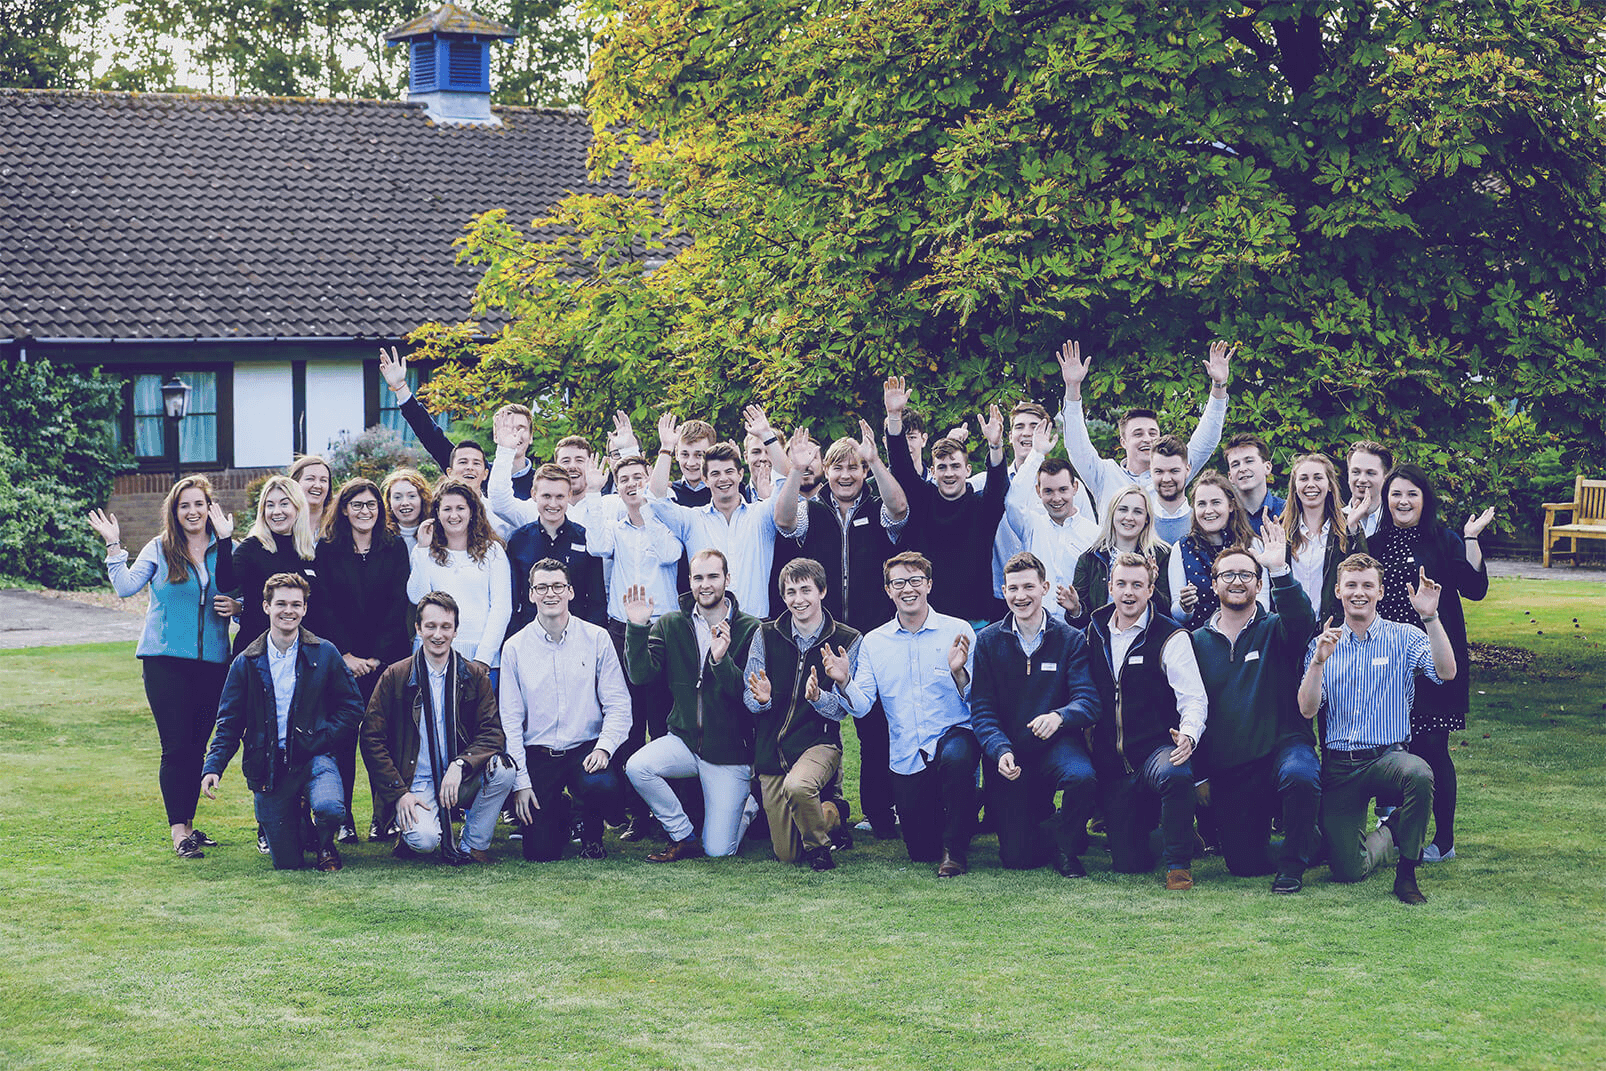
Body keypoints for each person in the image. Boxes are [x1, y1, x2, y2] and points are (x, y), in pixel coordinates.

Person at [771, 417, 909, 840]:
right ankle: (828, 804)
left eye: (854, 467)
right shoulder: (813, 511)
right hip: (823, 632)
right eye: (838, 468)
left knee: (873, 727)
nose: (846, 475)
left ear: (863, 471)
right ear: (826, 472)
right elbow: (783, 521)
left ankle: (881, 814)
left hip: (871, 635)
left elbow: (900, 510)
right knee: (818, 721)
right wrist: (794, 469)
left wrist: (877, 459)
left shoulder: (876, 508)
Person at [89, 477, 237, 860]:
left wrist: (238, 607)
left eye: (198, 505)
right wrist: (113, 544)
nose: (192, 512)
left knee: (198, 747)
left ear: (209, 508)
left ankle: (189, 824)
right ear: (174, 511)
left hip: (215, 663)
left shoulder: (226, 550)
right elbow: (125, 587)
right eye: (184, 505)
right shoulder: (160, 547)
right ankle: (178, 833)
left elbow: (244, 594)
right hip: (165, 662)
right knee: (176, 747)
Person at [1299, 553, 1455, 903]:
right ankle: (1392, 832)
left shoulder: (1403, 637)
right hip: (1340, 765)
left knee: (1419, 774)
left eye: (1367, 585)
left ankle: (1407, 874)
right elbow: (1307, 710)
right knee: (1347, 870)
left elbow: (1446, 673)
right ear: (1338, 590)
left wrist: (1430, 617)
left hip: (1389, 757)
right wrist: (1317, 663)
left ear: (1380, 592)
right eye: (1351, 585)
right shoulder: (1323, 643)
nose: (1359, 592)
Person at [200, 572, 366, 871]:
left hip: (315, 755)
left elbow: (352, 707)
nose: (288, 610)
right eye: (280, 604)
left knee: (330, 808)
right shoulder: (247, 661)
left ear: (304, 609)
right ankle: (299, 822)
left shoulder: (325, 653)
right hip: (269, 764)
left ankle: (325, 841)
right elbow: (229, 721)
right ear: (266, 607)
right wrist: (213, 767)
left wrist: (322, 738)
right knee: (287, 864)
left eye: (295, 604)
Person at [1369, 464, 1493, 863]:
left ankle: (1444, 840)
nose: (1403, 502)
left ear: (1425, 500)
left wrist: (1471, 538)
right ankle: (1394, 831)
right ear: (1386, 501)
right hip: (1387, 663)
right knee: (1390, 745)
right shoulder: (1373, 544)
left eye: (1412, 495)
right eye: (1396, 495)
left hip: (1438, 660)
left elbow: (1474, 589)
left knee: (1433, 748)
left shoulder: (1444, 540)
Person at [1189, 538, 1321, 893]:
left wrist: (1279, 568)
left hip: (1283, 749)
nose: (1237, 581)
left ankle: (1293, 867)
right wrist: (1199, 773)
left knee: (1301, 774)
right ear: (1214, 583)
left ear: (1259, 585)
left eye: (1246, 574)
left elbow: (1302, 621)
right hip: (1234, 766)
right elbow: (1191, 709)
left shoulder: (1277, 628)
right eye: (1227, 574)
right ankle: (1315, 842)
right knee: (1243, 864)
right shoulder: (1196, 642)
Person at [842, 552, 981, 877]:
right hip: (908, 753)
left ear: (929, 585)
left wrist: (959, 673)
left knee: (958, 759)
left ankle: (955, 853)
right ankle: (967, 805)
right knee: (920, 851)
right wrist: (843, 680)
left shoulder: (957, 631)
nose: (908, 589)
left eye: (916, 580)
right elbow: (862, 705)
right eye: (899, 582)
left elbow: (979, 701)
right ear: (888, 590)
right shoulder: (875, 642)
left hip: (954, 737)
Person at [623, 549, 764, 861]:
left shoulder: (751, 628)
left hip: (730, 752)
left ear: (728, 579)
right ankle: (682, 835)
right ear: (689, 581)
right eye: (698, 577)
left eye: (713, 576)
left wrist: (720, 660)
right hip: (684, 740)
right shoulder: (671, 624)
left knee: (718, 851)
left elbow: (748, 694)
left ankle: (748, 807)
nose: (705, 584)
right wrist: (637, 627)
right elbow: (641, 674)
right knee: (638, 766)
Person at [969, 552, 1100, 876]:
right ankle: (1053, 827)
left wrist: (1059, 716)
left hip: (1057, 746)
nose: (1021, 596)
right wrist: (999, 751)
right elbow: (982, 710)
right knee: (1017, 858)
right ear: (1004, 590)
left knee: (1082, 777)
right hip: (1011, 751)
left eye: (1028, 587)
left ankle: (1068, 848)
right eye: (1013, 588)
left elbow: (1088, 700)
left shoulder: (1069, 639)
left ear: (1043, 587)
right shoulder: (987, 641)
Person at [360, 591, 515, 863]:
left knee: (503, 770)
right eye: (430, 626)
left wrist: (460, 764)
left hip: (461, 777)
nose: (438, 634)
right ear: (418, 629)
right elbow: (371, 738)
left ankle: (473, 843)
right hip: (415, 779)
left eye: (446, 626)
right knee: (425, 840)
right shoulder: (396, 675)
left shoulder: (474, 675)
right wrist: (398, 793)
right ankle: (411, 831)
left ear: (456, 631)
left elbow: (492, 733)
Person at [1085, 553, 1209, 889]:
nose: (1129, 592)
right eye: (1122, 584)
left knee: (1176, 770)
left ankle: (1178, 866)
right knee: (1128, 864)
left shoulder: (1170, 635)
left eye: (1137, 585)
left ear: (1151, 589)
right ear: (1109, 587)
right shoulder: (1093, 632)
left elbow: (1193, 697)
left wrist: (1188, 734)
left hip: (1156, 750)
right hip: (1112, 763)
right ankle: (1178, 830)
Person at [500, 559, 633, 861]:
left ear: (571, 592)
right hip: (539, 753)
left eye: (558, 586)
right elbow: (510, 720)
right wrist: (521, 783)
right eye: (542, 587)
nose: (551, 593)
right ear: (531, 593)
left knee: (603, 786)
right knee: (539, 853)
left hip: (585, 749)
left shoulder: (597, 638)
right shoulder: (515, 648)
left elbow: (619, 704)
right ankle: (562, 812)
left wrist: (605, 748)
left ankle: (591, 830)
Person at [583, 452, 683, 839]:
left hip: (663, 632)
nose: (630, 484)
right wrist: (593, 492)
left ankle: (668, 811)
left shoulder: (666, 520)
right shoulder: (613, 527)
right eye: (623, 479)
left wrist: (648, 513)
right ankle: (636, 813)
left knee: (663, 722)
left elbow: (672, 555)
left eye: (637, 477)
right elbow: (595, 546)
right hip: (622, 632)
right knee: (629, 721)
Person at [742, 558, 860, 870]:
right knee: (787, 854)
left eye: (806, 590)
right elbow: (749, 698)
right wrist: (763, 700)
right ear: (783, 597)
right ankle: (833, 814)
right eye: (791, 592)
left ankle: (821, 850)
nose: (798, 599)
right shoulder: (764, 634)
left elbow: (843, 712)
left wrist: (819, 697)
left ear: (822, 591)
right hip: (772, 750)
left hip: (818, 742)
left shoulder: (847, 640)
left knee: (798, 786)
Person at [316, 477, 412, 843]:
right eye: (357, 504)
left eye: (371, 504)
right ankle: (343, 819)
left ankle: (384, 816)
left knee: (383, 739)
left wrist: (375, 657)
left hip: (386, 661)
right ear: (343, 509)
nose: (365, 511)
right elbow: (323, 606)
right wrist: (345, 655)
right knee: (342, 740)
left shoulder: (395, 548)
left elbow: (398, 604)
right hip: (340, 663)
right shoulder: (327, 550)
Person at [1055, 338, 1232, 517]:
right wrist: (1072, 387)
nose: (1147, 439)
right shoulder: (1104, 474)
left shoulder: (1173, 472)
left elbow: (1207, 439)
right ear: (1123, 442)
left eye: (1152, 433)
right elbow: (1077, 447)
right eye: (1138, 433)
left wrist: (1219, 385)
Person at [883, 376, 1009, 626]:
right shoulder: (922, 499)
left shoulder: (982, 507)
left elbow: (998, 485)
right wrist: (894, 417)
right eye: (942, 467)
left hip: (975, 620)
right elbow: (901, 467)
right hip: (927, 620)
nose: (949, 473)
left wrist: (995, 445)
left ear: (968, 469)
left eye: (955, 466)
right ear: (934, 470)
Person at [647, 430, 805, 619]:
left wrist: (766, 434)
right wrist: (666, 449)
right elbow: (656, 499)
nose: (723, 479)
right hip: (707, 628)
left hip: (756, 625)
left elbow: (784, 479)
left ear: (740, 474)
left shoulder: (762, 515)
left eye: (729, 472)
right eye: (715, 473)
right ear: (705, 479)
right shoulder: (692, 520)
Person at [405, 479, 512, 677]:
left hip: (481, 659)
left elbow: (501, 608)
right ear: (437, 513)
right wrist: (421, 549)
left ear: (472, 512)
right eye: (447, 509)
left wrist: (483, 658)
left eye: (460, 508)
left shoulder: (492, 551)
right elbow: (417, 597)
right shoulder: (424, 551)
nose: (454, 515)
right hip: (431, 656)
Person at [379, 346, 511, 497]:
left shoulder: (500, 495)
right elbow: (430, 435)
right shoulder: (442, 511)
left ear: (486, 473)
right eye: (462, 462)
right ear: (450, 471)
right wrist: (400, 388)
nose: (469, 468)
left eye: (476, 463)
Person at [1001, 422, 1098, 621]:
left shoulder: (1095, 535)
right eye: (1048, 491)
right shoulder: (1032, 525)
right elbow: (1012, 502)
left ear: (1075, 488)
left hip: (1076, 630)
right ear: (1038, 491)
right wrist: (1036, 455)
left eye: (1063, 490)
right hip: (1034, 625)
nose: (1056, 498)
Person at [498, 462, 606, 636]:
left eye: (560, 496)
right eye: (546, 496)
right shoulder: (518, 541)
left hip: (577, 636)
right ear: (534, 495)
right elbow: (511, 599)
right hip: (530, 636)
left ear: (569, 496)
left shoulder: (586, 538)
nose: (553, 503)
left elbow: (596, 600)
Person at [229, 474, 318, 657]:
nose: (276, 511)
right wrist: (224, 540)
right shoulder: (252, 547)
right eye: (270, 505)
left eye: (284, 504)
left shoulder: (309, 553)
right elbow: (227, 582)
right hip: (256, 652)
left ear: (298, 508)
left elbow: (320, 607)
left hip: (302, 654)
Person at [1167, 471, 1267, 629]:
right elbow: (1177, 616)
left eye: (1215, 502)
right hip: (1199, 643)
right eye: (1201, 504)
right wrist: (1184, 606)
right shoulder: (1181, 548)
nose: (1208, 510)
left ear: (1231, 506)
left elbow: (1263, 603)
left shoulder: (1253, 545)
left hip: (1248, 637)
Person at [1279, 453, 1367, 624]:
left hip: (1334, 629)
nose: (1310, 484)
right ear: (1295, 487)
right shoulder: (1282, 532)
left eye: (1318, 478)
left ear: (1329, 486)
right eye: (1303, 478)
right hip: (1290, 630)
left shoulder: (1347, 527)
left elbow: (1364, 573)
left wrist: (1354, 530)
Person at [1070, 485, 1173, 625]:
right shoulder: (1090, 558)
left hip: (1147, 640)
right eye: (1123, 509)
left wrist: (1150, 584)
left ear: (1147, 519)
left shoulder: (1162, 555)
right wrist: (1076, 609)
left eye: (1137, 512)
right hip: (1102, 640)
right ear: (1113, 514)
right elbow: (1080, 623)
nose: (1129, 517)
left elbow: (1167, 613)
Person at [1223, 433, 1285, 534]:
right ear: (1230, 476)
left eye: (1249, 461)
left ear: (1267, 467)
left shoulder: (1286, 511)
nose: (1242, 469)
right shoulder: (1224, 515)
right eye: (1235, 464)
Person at [1147, 435, 1194, 544]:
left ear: (1187, 470)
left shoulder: (1201, 522)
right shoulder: (1141, 523)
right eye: (1159, 471)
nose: (1166, 479)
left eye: (1174, 471)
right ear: (1150, 471)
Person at [1344, 440, 1394, 537]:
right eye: (1356, 472)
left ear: (1386, 477)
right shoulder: (1331, 522)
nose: (1362, 479)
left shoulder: (1396, 521)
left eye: (1370, 473)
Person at [382, 468, 432, 553]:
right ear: (389, 501)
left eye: (411, 496)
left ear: (423, 498)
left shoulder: (436, 534)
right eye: (397, 497)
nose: (405, 503)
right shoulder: (382, 537)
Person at [289, 454, 333, 537]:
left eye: (323, 480)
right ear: (295, 482)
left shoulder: (337, 526)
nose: (317, 485)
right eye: (310, 479)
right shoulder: (284, 526)